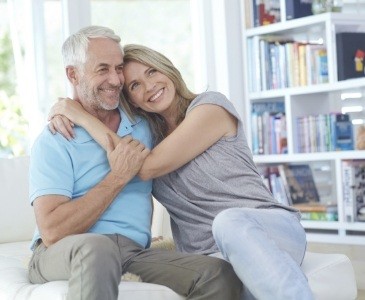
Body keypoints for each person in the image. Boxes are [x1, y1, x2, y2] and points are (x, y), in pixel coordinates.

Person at [48, 43, 314, 300]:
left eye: (152, 71)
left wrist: (81, 116)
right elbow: (140, 185)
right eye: (135, 85)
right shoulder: (149, 140)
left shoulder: (210, 107)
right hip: (211, 254)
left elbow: (144, 167)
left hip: (268, 230)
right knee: (219, 278)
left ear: (168, 70)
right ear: (132, 101)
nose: (149, 86)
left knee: (229, 221)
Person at [28, 26, 242, 300]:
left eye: (119, 69)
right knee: (97, 248)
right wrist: (117, 177)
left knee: (217, 273)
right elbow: (52, 232)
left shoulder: (144, 127)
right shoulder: (56, 140)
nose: (116, 79)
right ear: (73, 74)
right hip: (63, 251)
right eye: (102, 69)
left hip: (131, 252)